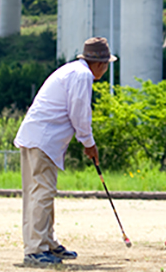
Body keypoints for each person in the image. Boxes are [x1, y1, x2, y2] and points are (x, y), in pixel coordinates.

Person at [14, 37, 117, 266]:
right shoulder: (82, 76)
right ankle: (35, 249)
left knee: (39, 192)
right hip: (42, 140)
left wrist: (85, 141)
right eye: (107, 64)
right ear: (100, 64)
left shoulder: (72, 70)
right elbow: (79, 112)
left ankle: (47, 243)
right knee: (42, 192)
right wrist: (88, 143)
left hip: (36, 137)